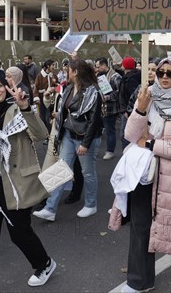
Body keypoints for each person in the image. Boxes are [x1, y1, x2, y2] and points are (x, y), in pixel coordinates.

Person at [111, 57, 171, 293]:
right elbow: (130, 135)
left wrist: (152, 144)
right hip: (143, 177)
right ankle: (139, 281)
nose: (164, 77)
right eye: (161, 72)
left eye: (170, 73)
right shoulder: (146, 97)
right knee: (140, 230)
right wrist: (141, 109)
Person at [0, 74, 55, 292]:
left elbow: (40, 134)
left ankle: (44, 264)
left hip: (16, 186)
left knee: (20, 234)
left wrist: (26, 107)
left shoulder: (19, 110)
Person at [33, 58, 103, 221]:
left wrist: (85, 144)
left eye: (68, 70)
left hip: (85, 138)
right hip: (68, 135)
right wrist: (59, 116)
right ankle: (50, 209)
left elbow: (94, 121)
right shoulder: (69, 88)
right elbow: (68, 111)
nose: (65, 72)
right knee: (61, 170)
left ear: (76, 72)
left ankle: (91, 205)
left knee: (88, 172)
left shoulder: (93, 91)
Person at [95, 57, 122, 160]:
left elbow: (120, 92)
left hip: (111, 108)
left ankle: (110, 151)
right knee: (98, 129)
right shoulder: (100, 76)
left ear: (104, 65)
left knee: (110, 130)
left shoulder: (115, 76)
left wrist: (108, 97)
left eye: (98, 67)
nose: (97, 69)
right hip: (101, 108)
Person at [118, 56, 141, 150]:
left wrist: (128, 111)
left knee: (125, 135)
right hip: (126, 110)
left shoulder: (131, 79)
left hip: (128, 111)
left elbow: (132, 96)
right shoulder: (129, 76)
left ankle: (127, 153)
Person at [34, 59, 57, 131]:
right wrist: (37, 98)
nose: (54, 67)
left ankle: (50, 135)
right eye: (53, 65)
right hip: (41, 101)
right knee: (42, 118)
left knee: (49, 118)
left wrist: (55, 85)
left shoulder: (54, 76)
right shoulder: (40, 76)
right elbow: (35, 89)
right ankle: (45, 135)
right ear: (48, 66)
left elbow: (58, 87)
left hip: (51, 101)